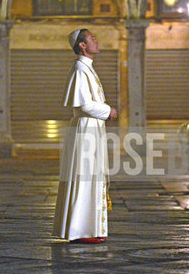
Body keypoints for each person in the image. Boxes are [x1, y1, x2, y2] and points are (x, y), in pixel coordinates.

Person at [52, 29, 118, 244]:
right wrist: (108, 111)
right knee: (85, 177)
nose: (96, 41)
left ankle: (91, 228)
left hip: (92, 128)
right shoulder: (80, 69)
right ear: (82, 45)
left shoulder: (87, 68)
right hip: (85, 129)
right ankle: (80, 230)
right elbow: (83, 104)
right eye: (92, 38)